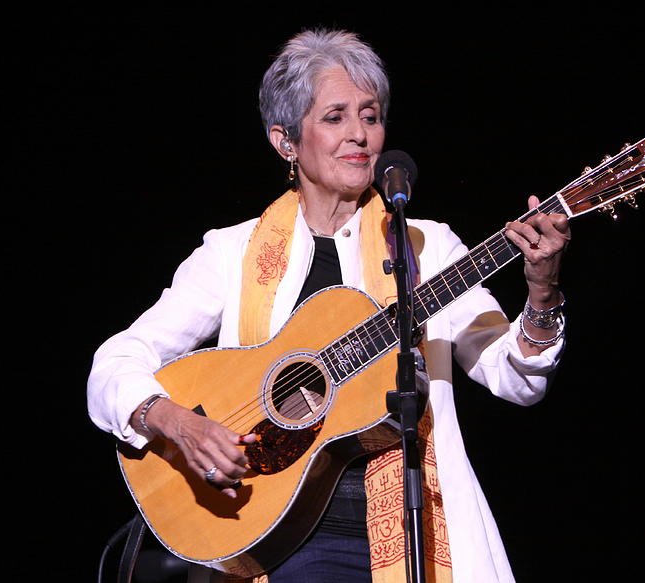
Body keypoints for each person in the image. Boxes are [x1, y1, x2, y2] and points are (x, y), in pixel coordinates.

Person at [87, 29, 570, 583]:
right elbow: (115, 362)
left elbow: (517, 378)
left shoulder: (423, 246)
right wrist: (177, 423)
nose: (360, 135)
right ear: (285, 141)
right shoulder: (232, 251)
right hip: (275, 539)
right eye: (335, 117)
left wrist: (542, 293)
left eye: (370, 115)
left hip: (414, 537)